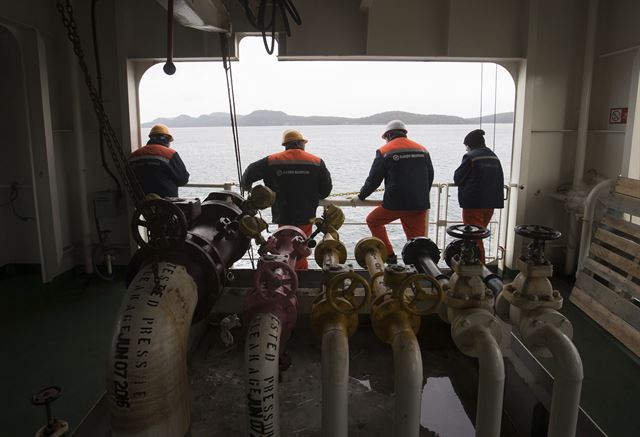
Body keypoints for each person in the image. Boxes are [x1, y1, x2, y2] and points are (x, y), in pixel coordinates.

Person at [241, 129, 332, 270]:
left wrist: (247, 188)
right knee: (300, 248)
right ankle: (299, 279)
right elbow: (326, 191)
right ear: (302, 144)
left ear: (286, 145)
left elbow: (249, 172)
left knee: (283, 247)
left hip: (282, 214)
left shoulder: (272, 161)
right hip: (306, 215)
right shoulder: (317, 162)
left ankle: (283, 276)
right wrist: (312, 195)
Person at [352, 120, 434, 264]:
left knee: (373, 220)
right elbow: (430, 175)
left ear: (389, 135)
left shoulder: (384, 151)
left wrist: (361, 196)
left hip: (395, 204)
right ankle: (418, 271)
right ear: (404, 133)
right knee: (417, 242)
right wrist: (421, 194)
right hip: (419, 204)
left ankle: (389, 256)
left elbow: (373, 180)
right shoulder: (422, 149)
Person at [453, 129, 504, 263]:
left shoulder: (471, 157)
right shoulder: (493, 156)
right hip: (491, 203)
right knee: (479, 234)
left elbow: (457, 178)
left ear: (470, 145)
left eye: (466, 147)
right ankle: (478, 267)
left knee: (474, 237)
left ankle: (478, 269)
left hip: (474, 204)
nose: (466, 150)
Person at [129, 124, 190, 197]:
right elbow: (183, 180)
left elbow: (128, 179)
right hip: (166, 204)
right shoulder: (170, 154)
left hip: (142, 203)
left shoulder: (134, 155)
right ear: (166, 139)